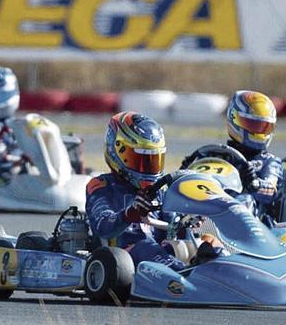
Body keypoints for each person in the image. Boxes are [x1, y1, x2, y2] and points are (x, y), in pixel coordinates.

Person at [86, 112, 218, 271]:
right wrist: (129, 214)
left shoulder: (160, 190)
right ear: (118, 151)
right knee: (145, 247)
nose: (148, 168)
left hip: (160, 253)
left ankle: (223, 273)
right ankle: (183, 274)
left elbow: (172, 230)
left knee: (209, 242)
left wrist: (186, 223)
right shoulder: (102, 186)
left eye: (153, 160)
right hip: (122, 257)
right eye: (140, 160)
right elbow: (103, 227)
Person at [221, 90, 283, 217]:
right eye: (252, 125)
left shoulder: (270, 162)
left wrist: (252, 182)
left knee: (244, 200)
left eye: (264, 127)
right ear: (234, 119)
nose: (259, 133)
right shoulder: (215, 155)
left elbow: (270, 190)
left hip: (256, 222)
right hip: (215, 208)